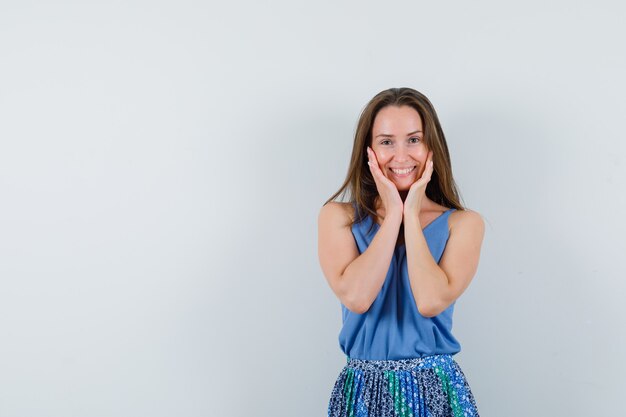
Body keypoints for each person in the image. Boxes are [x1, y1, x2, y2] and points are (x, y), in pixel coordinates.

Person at [317, 87, 484, 417]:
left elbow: (430, 300)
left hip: (435, 389)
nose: (401, 154)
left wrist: (411, 213)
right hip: (362, 391)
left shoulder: (463, 224)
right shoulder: (337, 217)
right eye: (386, 141)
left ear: (431, 146)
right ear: (369, 151)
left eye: (413, 139)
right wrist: (393, 213)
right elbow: (357, 297)